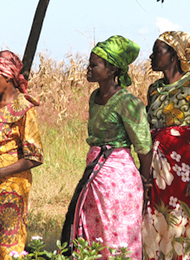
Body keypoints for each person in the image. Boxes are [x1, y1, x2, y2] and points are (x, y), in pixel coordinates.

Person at [61, 35, 153, 260]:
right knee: (92, 233)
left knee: (116, 233)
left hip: (118, 180)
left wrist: (145, 179)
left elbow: (143, 146)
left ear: (112, 70)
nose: (88, 69)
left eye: (94, 65)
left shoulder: (128, 102)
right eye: (89, 64)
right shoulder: (95, 97)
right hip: (95, 175)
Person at [142, 31, 190, 259]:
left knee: (187, 227)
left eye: (157, 51)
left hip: (185, 169)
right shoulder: (154, 89)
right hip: (158, 169)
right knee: (159, 226)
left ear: (174, 55)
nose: (151, 57)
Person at [0, 50, 43, 260]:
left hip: (10, 190)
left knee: (7, 247)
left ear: (7, 76)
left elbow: (35, 156)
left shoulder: (24, 109)